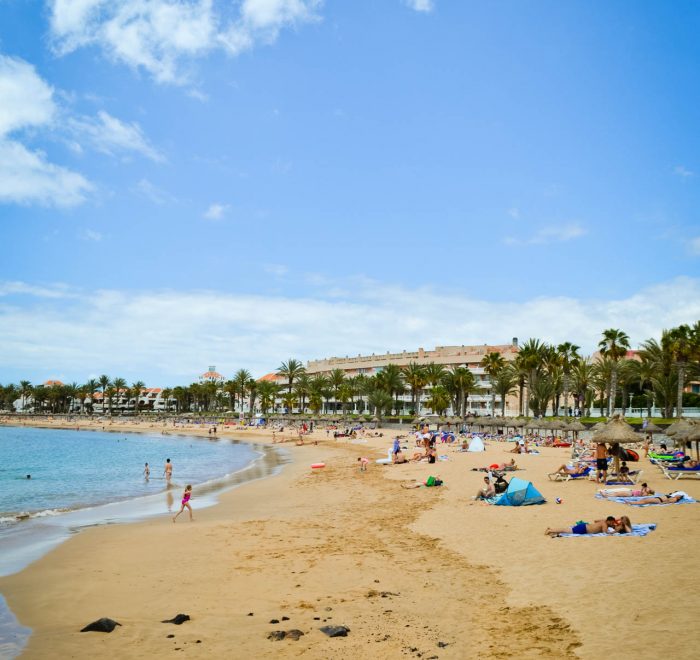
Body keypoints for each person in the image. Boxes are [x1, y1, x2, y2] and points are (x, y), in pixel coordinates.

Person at [545, 516, 632, 537]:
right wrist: (615, 531)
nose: (613, 524)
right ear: (609, 521)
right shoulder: (604, 524)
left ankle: (551, 530)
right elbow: (606, 533)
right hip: (584, 529)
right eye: (612, 523)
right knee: (565, 530)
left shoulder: (603, 522)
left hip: (584, 527)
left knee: (566, 530)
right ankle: (550, 530)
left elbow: (595, 521)